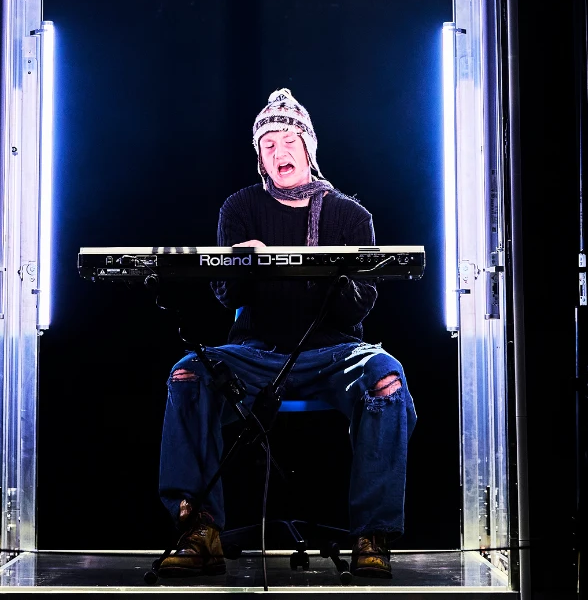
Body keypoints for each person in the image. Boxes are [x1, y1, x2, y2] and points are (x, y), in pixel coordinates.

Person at [156, 88, 416, 579]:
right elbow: (226, 295)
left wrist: (324, 272)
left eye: (289, 140)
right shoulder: (240, 207)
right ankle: (198, 530)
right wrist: (247, 264)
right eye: (268, 144)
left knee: (386, 377)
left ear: (309, 147)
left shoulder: (350, 216)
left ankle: (373, 535)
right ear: (260, 158)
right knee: (188, 374)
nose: (280, 151)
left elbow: (360, 304)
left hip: (334, 354)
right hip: (256, 354)